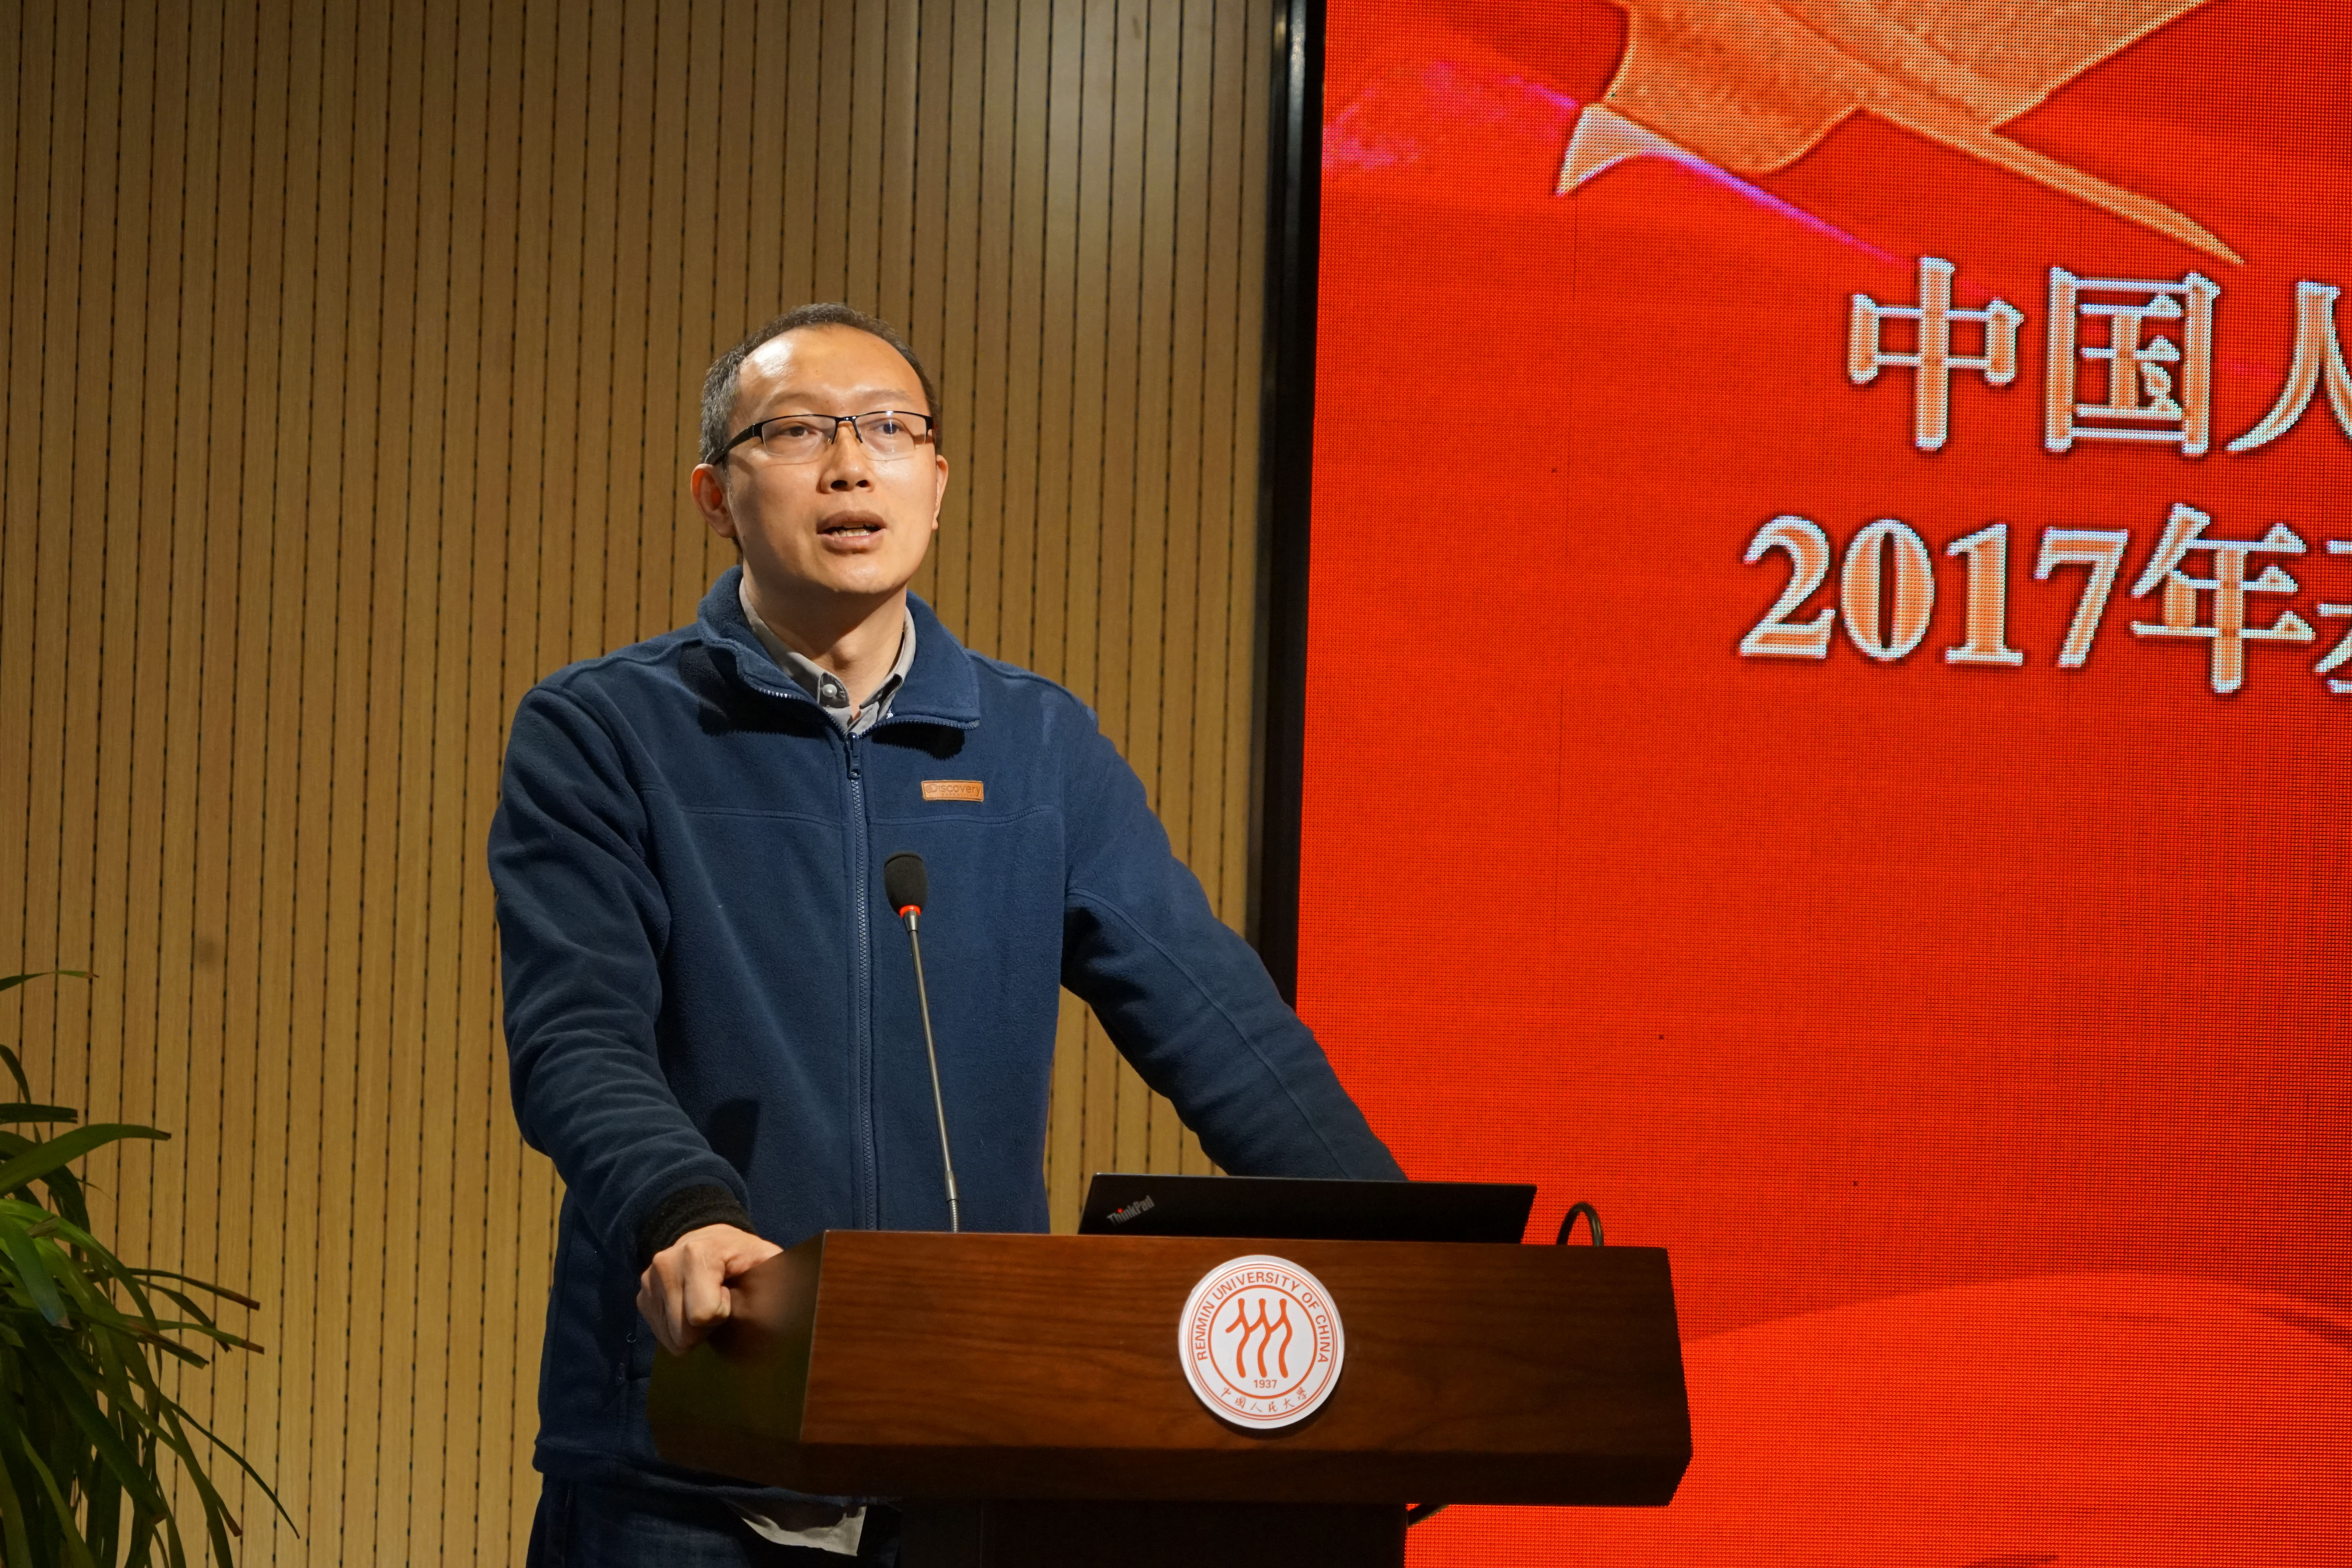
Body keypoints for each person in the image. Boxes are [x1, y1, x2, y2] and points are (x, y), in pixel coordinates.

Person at [488, 303, 1404, 1566]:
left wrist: (1406, 1251)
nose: (849, 465)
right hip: (693, 1442)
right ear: (715, 495)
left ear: (936, 483)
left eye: (889, 430)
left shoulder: (1037, 747)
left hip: (965, 1441)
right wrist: (682, 1213)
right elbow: (575, 1039)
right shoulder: (605, 733)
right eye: (797, 432)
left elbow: (1220, 1026)